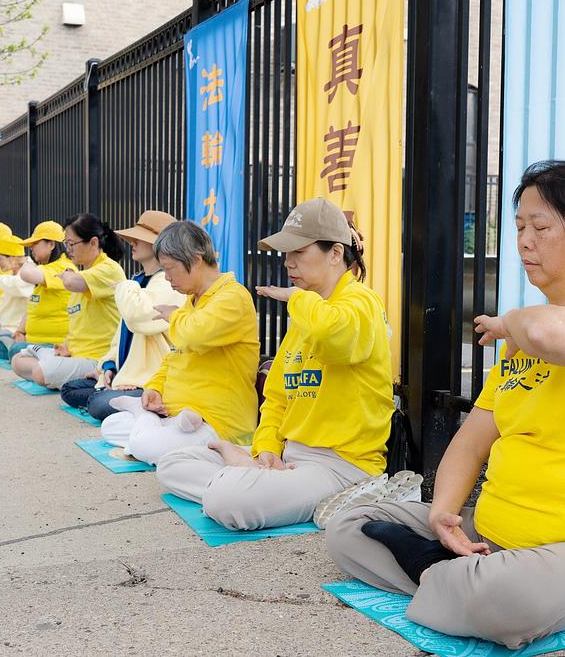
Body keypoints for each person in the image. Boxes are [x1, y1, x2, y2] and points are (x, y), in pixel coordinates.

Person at [325, 161, 565, 650]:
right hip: (491, 531)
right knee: (348, 528)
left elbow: (553, 334)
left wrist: (508, 322)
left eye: (542, 228)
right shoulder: (521, 338)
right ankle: (454, 571)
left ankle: (450, 576)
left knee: (501, 597)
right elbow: (469, 443)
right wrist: (443, 513)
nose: (525, 241)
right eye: (520, 228)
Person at [154, 198, 412, 531]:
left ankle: (240, 478)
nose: (288, 263)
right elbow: (276, 398)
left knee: (228, 502)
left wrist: (298, 298)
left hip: (341, 465)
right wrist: (264, 451)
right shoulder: (307, 312)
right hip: (290, 457)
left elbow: (337, 339)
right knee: (173, 462)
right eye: (286, 254)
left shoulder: (361, 302)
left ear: (335, 253)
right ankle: (245, 473)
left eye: (298, 253)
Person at [100, 220, 259, 462]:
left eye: (170, 269)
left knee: (145, 446)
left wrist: (173, 315)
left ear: (196, 260)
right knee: (111, 425)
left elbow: (193, 334)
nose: (167, 278)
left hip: (216, 420)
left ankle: (146, 423)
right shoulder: (193, 301)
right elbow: (173, 357)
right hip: (176, 413)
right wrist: (154, 388)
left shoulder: (233, 297)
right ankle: (149, 420)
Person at [61, 210, 186, 421]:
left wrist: (125, 286)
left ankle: (136, 397)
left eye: (138, 239)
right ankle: (121, 394)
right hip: (128, 372)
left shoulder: (167, 282)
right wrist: (109, 367)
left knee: (97, 404)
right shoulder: (136, 280)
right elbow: (121, 336)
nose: (132, 243)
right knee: (70, 390)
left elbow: (140, 318)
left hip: (151, 378)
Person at [12, 214, 126, 388]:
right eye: (66, 244)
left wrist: (66, 275)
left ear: (94, 243)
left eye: (72, 244)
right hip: (73, 353)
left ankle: (79, 373)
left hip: (97, 357)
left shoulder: (108, 269)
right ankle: (49, 361)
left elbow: (72, 282)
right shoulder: (83, 272)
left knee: (40, 372)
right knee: (17, 360)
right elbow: (78, 322)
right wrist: (64, 346)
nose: (68, 249)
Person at [0, 221, 75, 361]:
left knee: (15, 350)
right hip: (33, 339)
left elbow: (27, 275)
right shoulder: (44, 268)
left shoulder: (62, 267)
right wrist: (21, 331)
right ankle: (23, 353)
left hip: (55, 343)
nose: (31, 249)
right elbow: (31, 306)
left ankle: (24, 354)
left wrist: (27, 262)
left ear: (51, 244)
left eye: (35, 244)